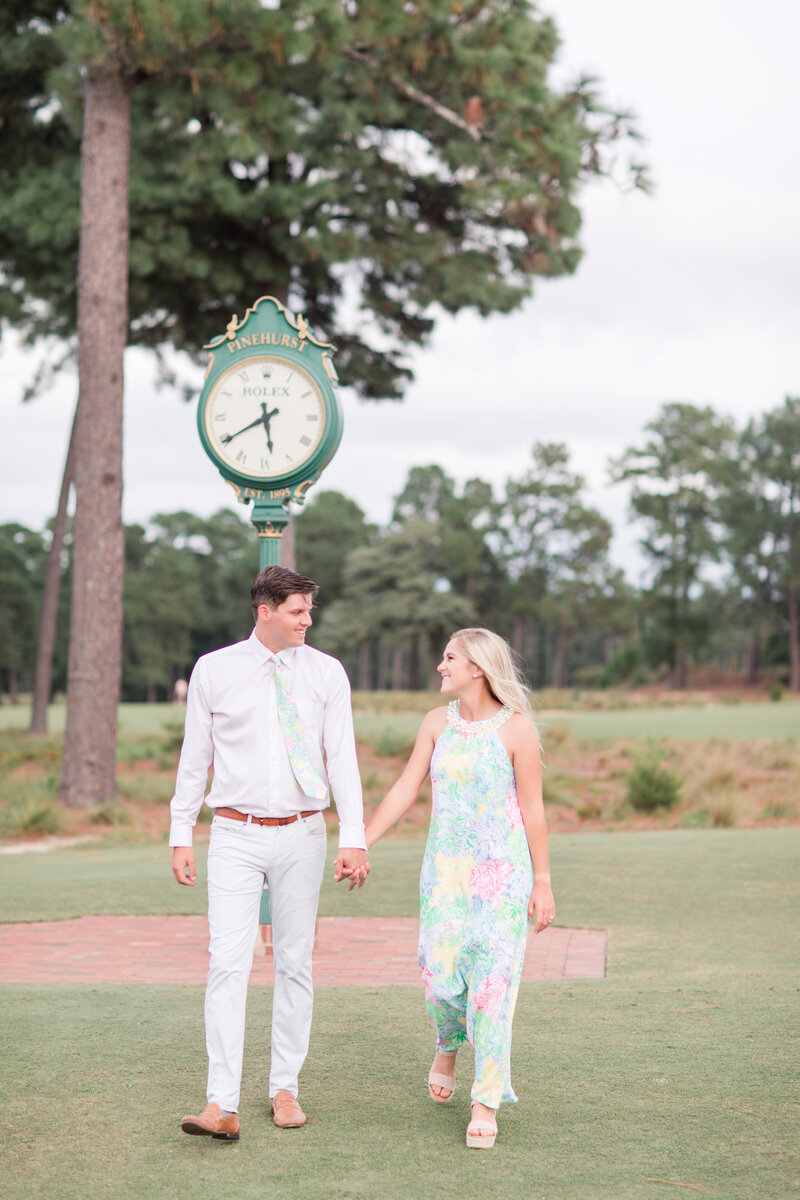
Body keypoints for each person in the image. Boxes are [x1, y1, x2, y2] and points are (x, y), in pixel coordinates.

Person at [170, 565, 368, 1141]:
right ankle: (220, 1102)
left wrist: (353, 833)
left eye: (309, 610)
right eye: (297, 611)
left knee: (294, 962)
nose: (308, 621)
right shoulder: (214, 669)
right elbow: (194, 757)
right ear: (265, 611)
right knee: (226, 963)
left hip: (304, 833)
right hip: (233, 834)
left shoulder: (327, 673)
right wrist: (181, 832)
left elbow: (342, 757)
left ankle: (285, 1088)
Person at [364, 627, 554, 1150]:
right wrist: (361, 843)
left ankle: (486, 1099)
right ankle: (447, 1042)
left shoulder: (517, 730)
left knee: (492, 987)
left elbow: (533, 809)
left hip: (503, 876)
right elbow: (405, 788)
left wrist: (542, 881)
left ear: (477, 668)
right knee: (439, 973)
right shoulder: (435, 723)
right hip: (445, 874)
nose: (441, 666)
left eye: (450, 658)